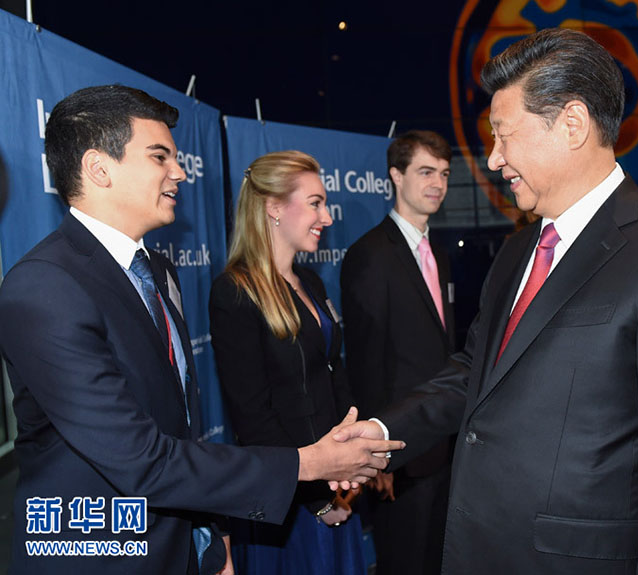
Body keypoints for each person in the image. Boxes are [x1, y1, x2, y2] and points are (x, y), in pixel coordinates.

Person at [335, 28, 638, 575]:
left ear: (572, 125)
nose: (492, 159)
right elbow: (476, 372)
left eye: (504, 136)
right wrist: (385, 432)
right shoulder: (516, 252)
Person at [0, 85, 403, 575]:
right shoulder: (44, 287)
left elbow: (181, 427)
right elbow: (142, 460)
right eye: (159, 156)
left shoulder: (157, 270)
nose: (180, 171)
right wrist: (312, 464)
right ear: (98, 168)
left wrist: (214, 540)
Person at [209, 150, 366, 575]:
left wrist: (353, 463)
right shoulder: (235, 293)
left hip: (335, 492)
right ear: (273, 207)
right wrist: (318, 499)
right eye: (315, 203)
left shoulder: (310, 281)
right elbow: (253, 417)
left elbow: (332, 377)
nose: (327, 217)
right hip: (289, 507)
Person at [340, 130, 455, 575]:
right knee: (404, 561)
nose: (438, 184)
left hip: (442, 441)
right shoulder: (369, 254)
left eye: (444, 174)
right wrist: (376, 458)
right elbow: (367, 361)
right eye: (426, 172)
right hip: (398, 450)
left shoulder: (439, 253)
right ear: (396, 176)